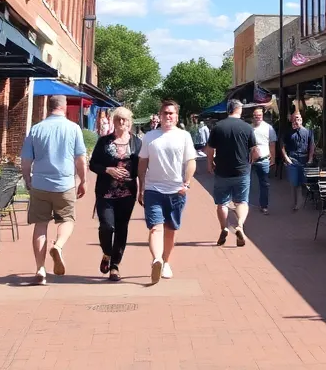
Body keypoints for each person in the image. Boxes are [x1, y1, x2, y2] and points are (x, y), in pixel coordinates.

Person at [21, 94, 88, 285]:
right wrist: (83, 180)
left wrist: (27, 178)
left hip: (40, 183)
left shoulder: (36, 129)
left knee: (40, 225)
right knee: (67, 219)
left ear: (48, 107)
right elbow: (80, 158)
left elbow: (26, 160)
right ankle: (58, 245)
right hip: (64, 183)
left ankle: (40, 269)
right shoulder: (73, 128)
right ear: (64, 107)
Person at [139, 100, 197, 284]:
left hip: (176, 191)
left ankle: (166, 262)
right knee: (155, 227)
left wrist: (186, 183)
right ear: (160, 115)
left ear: (176, 116)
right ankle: (156, 259)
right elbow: (142, 162)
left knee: (170, 230)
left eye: (171, 113)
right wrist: (141, 186)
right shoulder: (150, 137)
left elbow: (191, 161)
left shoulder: (184, 136)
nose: (168, 116)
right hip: (153, 189)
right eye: (165, 113)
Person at [88, 106, 140, 282]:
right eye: (118, 119)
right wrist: (108, 170)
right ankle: (107, 252)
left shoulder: (137, 143)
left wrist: (143, 188)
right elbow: (93, 164)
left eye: (124, 119)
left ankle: (115, 266)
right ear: (113, 121)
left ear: (130, 122)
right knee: (107, 226)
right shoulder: (104, 142)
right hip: (106, 193)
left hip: (127, 193)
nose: (121, 122)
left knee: (121, 228)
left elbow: (142, 166)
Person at [206, 99, 260, 246]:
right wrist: (251, 161)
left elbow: (210, 149)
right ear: (238, 109)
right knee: (242, 202)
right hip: (241, 171)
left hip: (222, 171)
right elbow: (255, 151)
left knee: (222, 203)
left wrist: (210, 163)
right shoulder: (247, 127)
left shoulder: (218, 127)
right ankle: (239, 225)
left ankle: (224, 227)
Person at [281, 111, 316, 211]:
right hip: (293, 159)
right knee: (294, 182)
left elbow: (311, 146)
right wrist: (286, 158)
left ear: (302, 120)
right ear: (292, 119)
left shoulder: (308, 132)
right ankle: (295, 203)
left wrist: (310, 158)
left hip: (304, 158)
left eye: (299, 119)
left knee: (303, 182)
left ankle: (301, 202)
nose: (297, 120)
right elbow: (282, 146)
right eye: (295, 118)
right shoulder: (288, 132)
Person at [250, 107, 277, 215]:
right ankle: (244, 204)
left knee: (264, 184)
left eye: (259, 115)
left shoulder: (268, 128)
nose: (257, 117)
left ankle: (264, 206)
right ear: (253, 117)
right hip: (250, 160)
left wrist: (273, 158)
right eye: (255, 116)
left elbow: (272, 143)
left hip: (264, 159)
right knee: (247, 182)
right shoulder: (249, 128)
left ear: (262, 116)